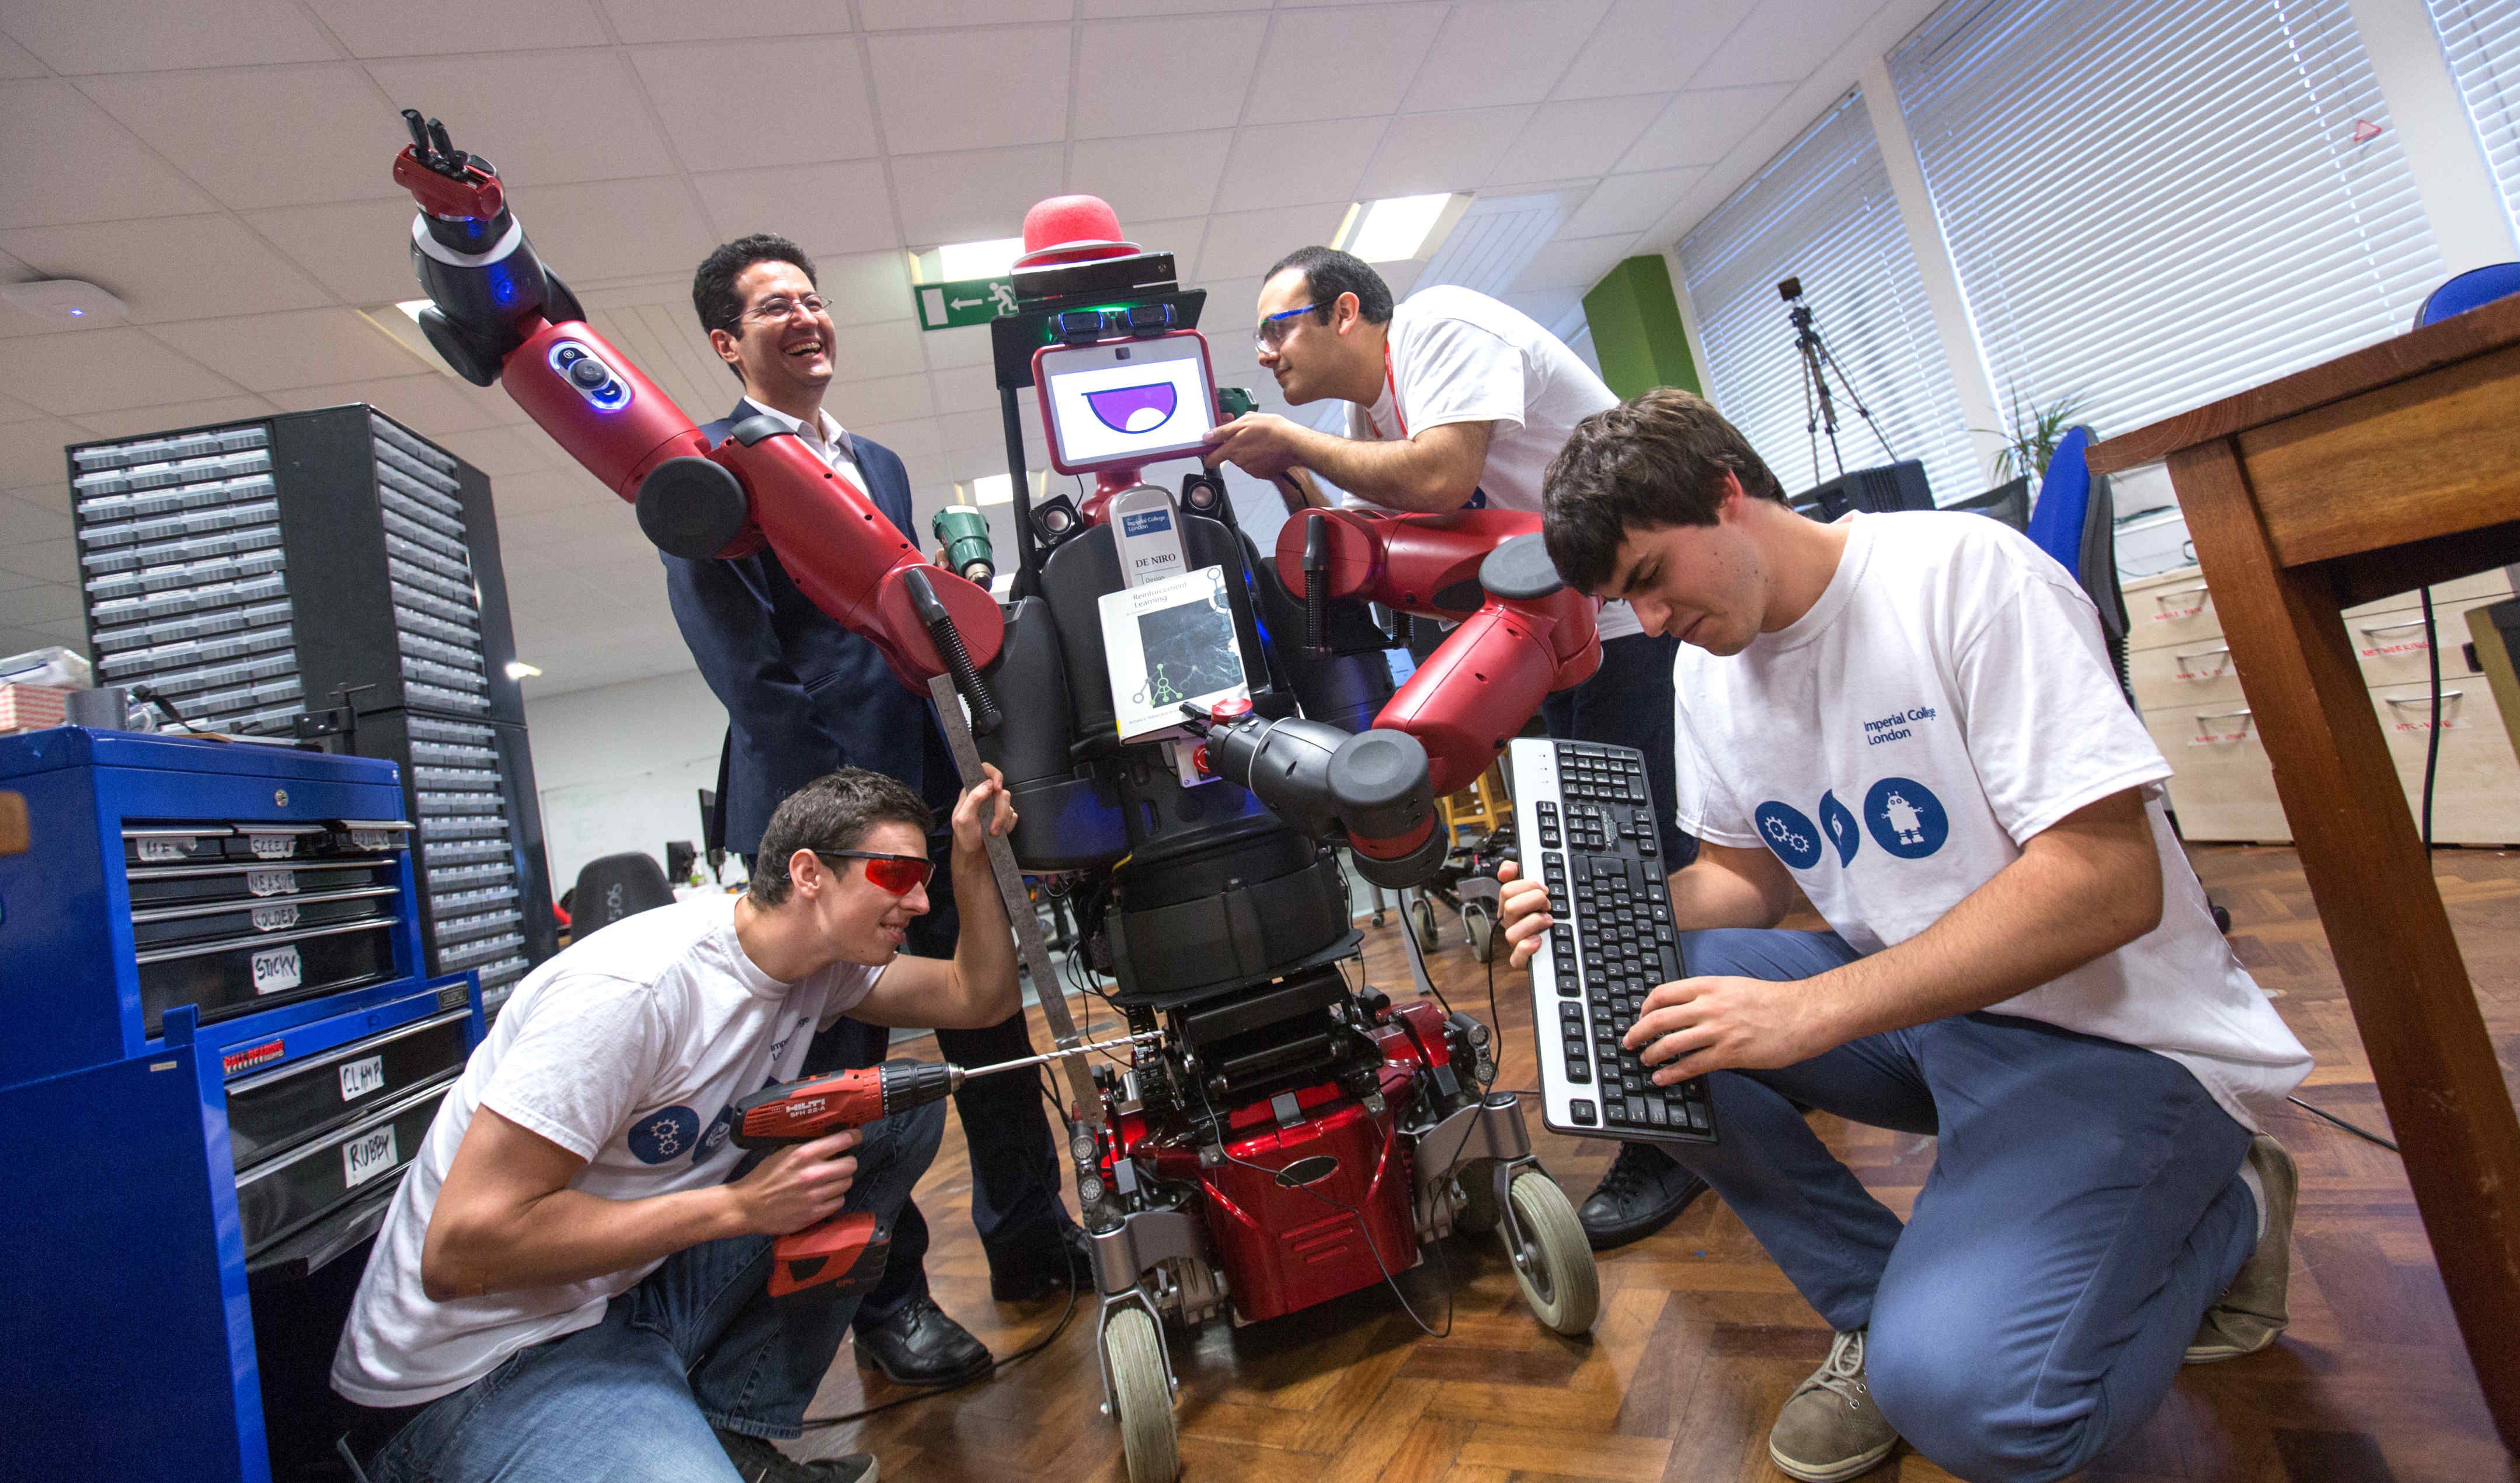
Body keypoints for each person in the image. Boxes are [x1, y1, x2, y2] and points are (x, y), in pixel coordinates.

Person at [1498, 389, 2314, 1483]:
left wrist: (1812, 1010)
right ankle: (1880, 1311)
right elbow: (1744, 882)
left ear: (1725, 496)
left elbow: (2109, 882)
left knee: (1991, 1419)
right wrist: (1595, 905)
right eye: (1620, 604)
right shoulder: (1708, 669)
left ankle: (2234, 1210)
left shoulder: (1965, 577)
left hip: (2121, 1040)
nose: (1647, 625)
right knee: (1627, 996)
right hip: (1933, 1017)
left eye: (1650, 580)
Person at [1202, 246, 1705, 1247]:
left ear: (1348, 311)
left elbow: (1442, 475)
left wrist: (1295, 441)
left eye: (1279, 325)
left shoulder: (1437, 327)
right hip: (1566, 642)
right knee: (1634, 864)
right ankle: (1735, 1076)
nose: (1265, 353)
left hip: (1626, 623)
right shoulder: (1364, 421)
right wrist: (1299, 465)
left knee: (1615, 871)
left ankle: (1677, 1139)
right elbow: (1370, 550)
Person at [332, 767, 1021, 1483]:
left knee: (894, 1116)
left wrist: (972, 860)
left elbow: (980, 996)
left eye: (925, 875)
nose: (918, 898)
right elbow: (458, 1249)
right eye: (895, 873)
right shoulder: (632, 993)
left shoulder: (817, 966)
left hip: (612, 1298)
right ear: (809, 873)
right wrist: (737, 1208)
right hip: (471, 1370)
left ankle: (729, 1431)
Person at [664, 234, 1088, 1388]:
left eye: (813, 299)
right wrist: (850, 828)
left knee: (989, 1025)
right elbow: (752, 679)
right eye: (772, 309)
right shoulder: (709, 473)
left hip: (936, 793)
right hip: (833, 823)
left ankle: (1030, 1238)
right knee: (841, 1063)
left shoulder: (883, 466)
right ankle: (886, 1306)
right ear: (725, 344)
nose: (806, 319)